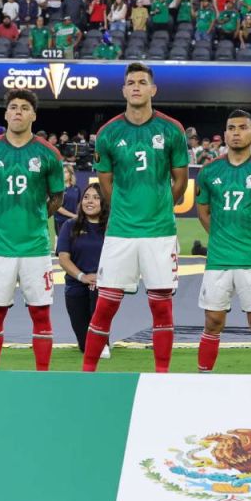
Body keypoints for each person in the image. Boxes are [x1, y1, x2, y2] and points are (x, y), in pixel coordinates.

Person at [82, 62, 190, 372]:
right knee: (105, 305)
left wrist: (162, 206)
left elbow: (179, 179)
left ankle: (162, 375)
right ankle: (87, 373)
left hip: (160, 232)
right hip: (121, 232)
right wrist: (124, 208)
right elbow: (105, 181)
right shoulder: (108, 133)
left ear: (153, 89)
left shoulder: (172, 129)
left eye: (142, 82)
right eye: (131, 82)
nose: (136, 87)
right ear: (124, 90)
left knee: (161, 306)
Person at [0, 89, 65, 371]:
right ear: (5, 113)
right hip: (0, 247)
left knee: (40, 312)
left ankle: (42, 376)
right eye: (13, 107)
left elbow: (57, 197)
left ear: (33, 115)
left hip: (35, 247)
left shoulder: (49, 153)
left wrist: (37, 216)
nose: (18, 112)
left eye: (24, 108)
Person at [194, 110, 251, 373]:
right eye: (231, 128)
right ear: (225, 134)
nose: (236, 133)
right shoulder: (210, 170)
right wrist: (221, 237)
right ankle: (203, 378)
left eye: (242, 127)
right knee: (212, 320)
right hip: (218, 259)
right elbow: (202, 211)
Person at [56, 183, 108, 354]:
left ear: (104, 202)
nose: (89, 201)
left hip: (103, 284)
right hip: (75, 284)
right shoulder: (70, 225)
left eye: (95, 197)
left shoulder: (112, 227)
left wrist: (100, 277)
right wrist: (82, 277)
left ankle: (102, 338)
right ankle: (98, 339)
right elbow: (63, 259)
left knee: (96, 289)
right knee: (85, 346)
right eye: (86, 197)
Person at [53, 164, 81, 232]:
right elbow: (57, 207)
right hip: (60, 221)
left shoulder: (76, 189)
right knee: (62, 241)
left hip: (74, 221)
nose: (63, 174)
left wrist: (79, 216)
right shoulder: (57, 188)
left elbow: (79, 204)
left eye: (65, 172)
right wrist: (73, 215)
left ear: (70, 174)